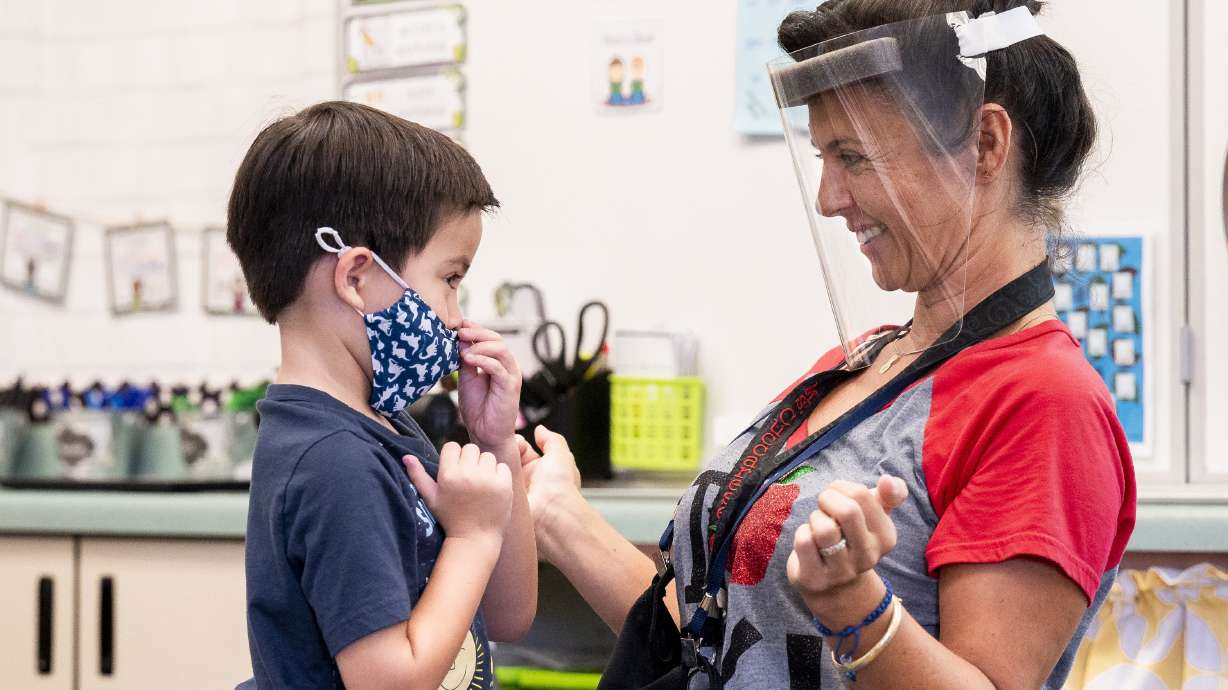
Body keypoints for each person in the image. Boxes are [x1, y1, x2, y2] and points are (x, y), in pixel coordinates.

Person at [518, 2, 1135, 688]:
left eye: (853, 157)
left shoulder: (1045, 403)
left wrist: (855, 609)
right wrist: (560, 517)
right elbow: (715, 632)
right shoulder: (865, 363)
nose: (827, 197)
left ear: (987, 145)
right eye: (822, 157)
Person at [229, 101, 536, 690]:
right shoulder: (334, 460)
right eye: (450, 279)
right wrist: (471, 535)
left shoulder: (386, 423)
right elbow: (388, 682)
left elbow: (507, 614)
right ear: (356, 278)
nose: (455, 315)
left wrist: (494, 443)